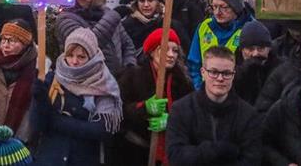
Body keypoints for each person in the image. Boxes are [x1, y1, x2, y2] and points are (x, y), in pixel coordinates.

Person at [32, 28, 122, 166]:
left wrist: (57, 121)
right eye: (70, 55)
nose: (74, 62)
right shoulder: (51, 79)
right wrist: (40, 100)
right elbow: (38, 125)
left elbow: (101, 130)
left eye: (81, 57)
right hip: (50, 158)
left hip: (84, 158)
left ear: (92, 57)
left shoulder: (103, 84)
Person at [166, 46, 262, 165]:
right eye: (214, 72)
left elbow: (252, 160)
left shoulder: (248, 115)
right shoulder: (181, 109)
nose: (220, 78)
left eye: (226, 73)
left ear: (233, 75)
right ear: (203, 73)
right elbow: (176, 156)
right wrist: (214, 150)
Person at [117, 28, 193, 165]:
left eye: (175, 50)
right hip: (135, 152)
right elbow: (118, 112)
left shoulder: (183, 82)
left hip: (171, 152)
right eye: (164, 49)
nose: (171, 55)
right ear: (152, 52)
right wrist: (144, 108)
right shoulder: (132, 76)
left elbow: (192, 114)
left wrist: (171, 121)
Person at [55, 0, 136, 75]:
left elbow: (127, 45)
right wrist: (114, 16)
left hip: (117, 83)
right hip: (86, 84)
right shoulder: (66, 20)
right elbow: (86, 46)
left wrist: (129, 67)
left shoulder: (107, 13)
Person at [0, 20, 37, 150]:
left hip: (19, 137)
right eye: (4, 40)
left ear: (25, 43)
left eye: (12, 41)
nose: (5, 45)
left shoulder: (38, 68)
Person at [187, 0, 252, 88]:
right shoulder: (204, 26)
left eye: (223, 7)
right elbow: (193, 64)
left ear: (236, 8)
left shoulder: (249, 29)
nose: (217, 12)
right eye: (214, 6)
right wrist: (200, 88)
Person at [118, 0, 190, 50]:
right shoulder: (127, 26)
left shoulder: (170, 25)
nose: (146, 5)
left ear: (158, 3)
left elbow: (184, 50)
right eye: (142, 1)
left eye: (150, 0)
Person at [232, 20, 283, 105]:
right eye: (250, 49)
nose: (255, 54)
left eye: (261, 48)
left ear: (269, 48)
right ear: (242, 50)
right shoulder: (230, 68)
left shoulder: (281, 68)